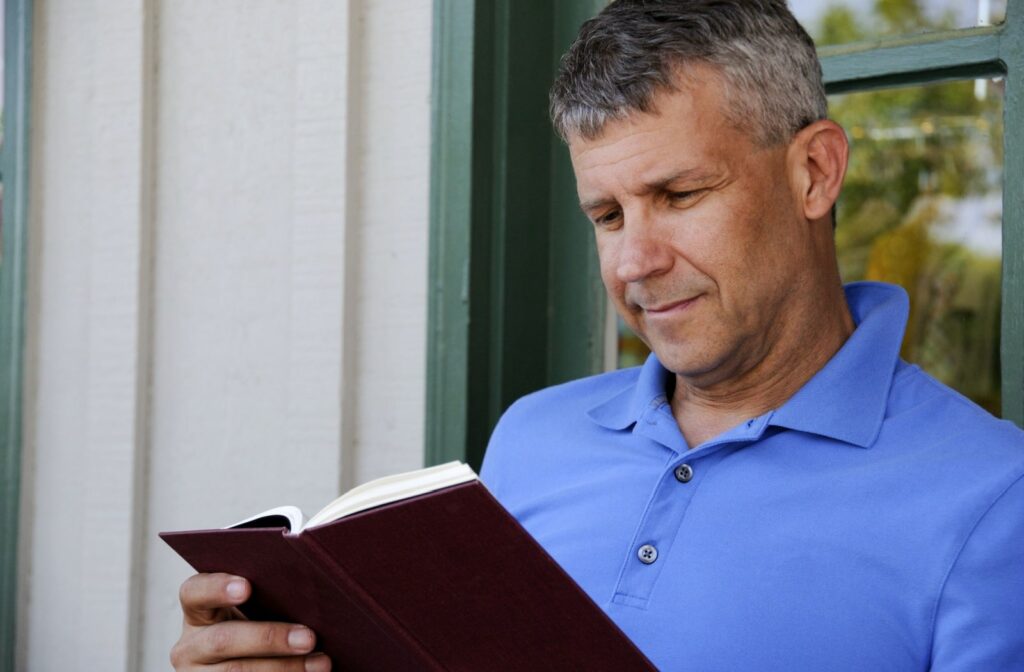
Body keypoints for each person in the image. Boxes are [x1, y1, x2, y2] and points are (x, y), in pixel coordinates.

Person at [171, 1, 1024, 670]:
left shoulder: (993, 500)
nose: (637, 262)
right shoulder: (531, 436)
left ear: (814, 171)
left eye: (681, 195)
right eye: (607, 215)